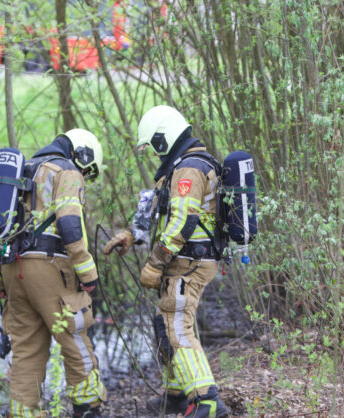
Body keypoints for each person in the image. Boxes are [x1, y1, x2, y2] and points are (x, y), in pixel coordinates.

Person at [104, 105, 228, 418]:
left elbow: (183, 221)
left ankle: (207, 401)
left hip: (190, 262)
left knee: (177, 326)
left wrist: (155, 263)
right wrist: (132, 235)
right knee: (165, 323)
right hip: (186, 259)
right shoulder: (180, 166)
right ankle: (175, 394)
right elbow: (160, 211)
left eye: (153, 145)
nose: (154, 153)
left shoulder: (189, 169)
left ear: (164, 137)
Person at [0, 129, 106, 418]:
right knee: (74, 335)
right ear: (83, 154)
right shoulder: (66, 171)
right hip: (50, 269)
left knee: (26, 349)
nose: (84, 174)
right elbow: (69, 225)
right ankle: (88, 408)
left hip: (11, 269)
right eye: (87, 170)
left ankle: (22, 412)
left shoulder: (19, 173)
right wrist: (87, 272)